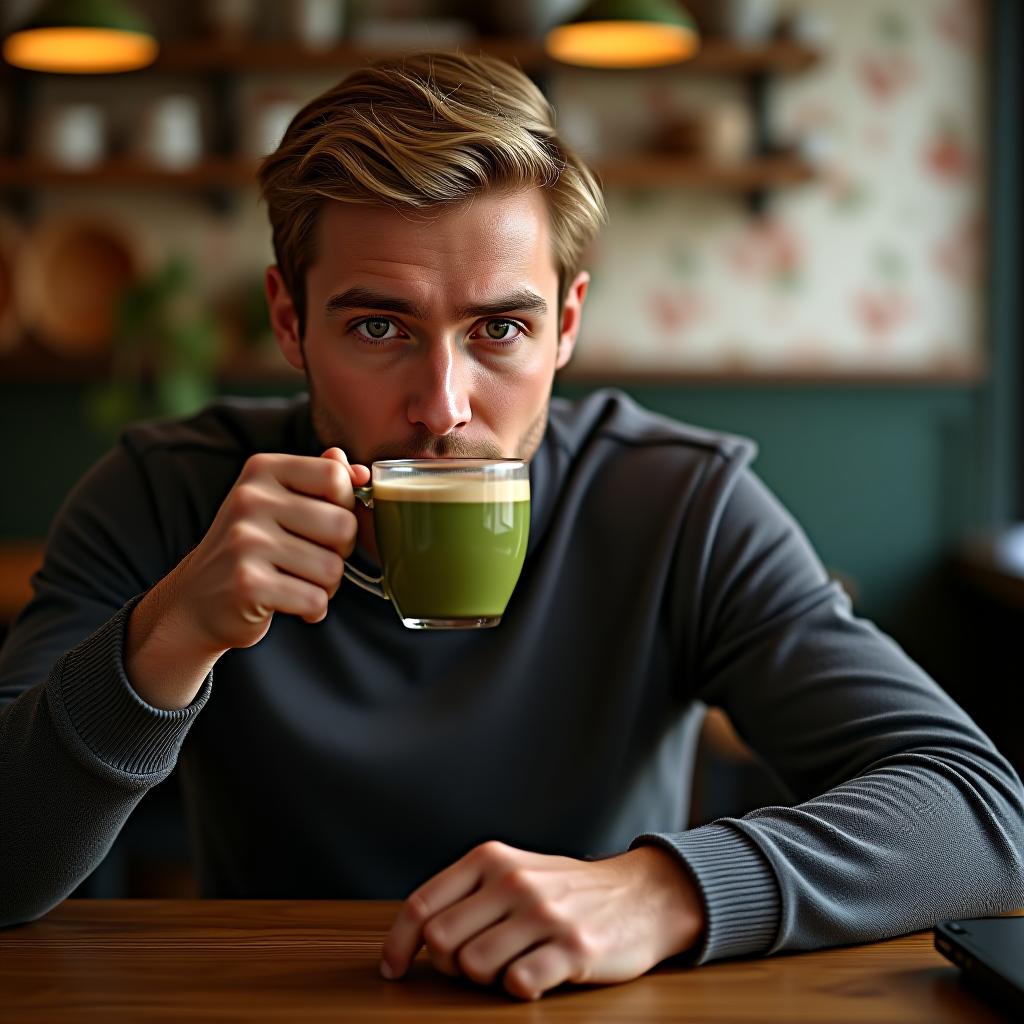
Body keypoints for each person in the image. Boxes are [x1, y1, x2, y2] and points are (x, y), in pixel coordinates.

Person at [1, 51, 1022, 1002]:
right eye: (377, 327)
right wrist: (165, 637)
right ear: (287, 320)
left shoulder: (677, 504)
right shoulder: (162, 497)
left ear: (567, 325)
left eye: (499, 328)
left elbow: (980, 813)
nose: (443, 404)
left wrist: (664, 890)